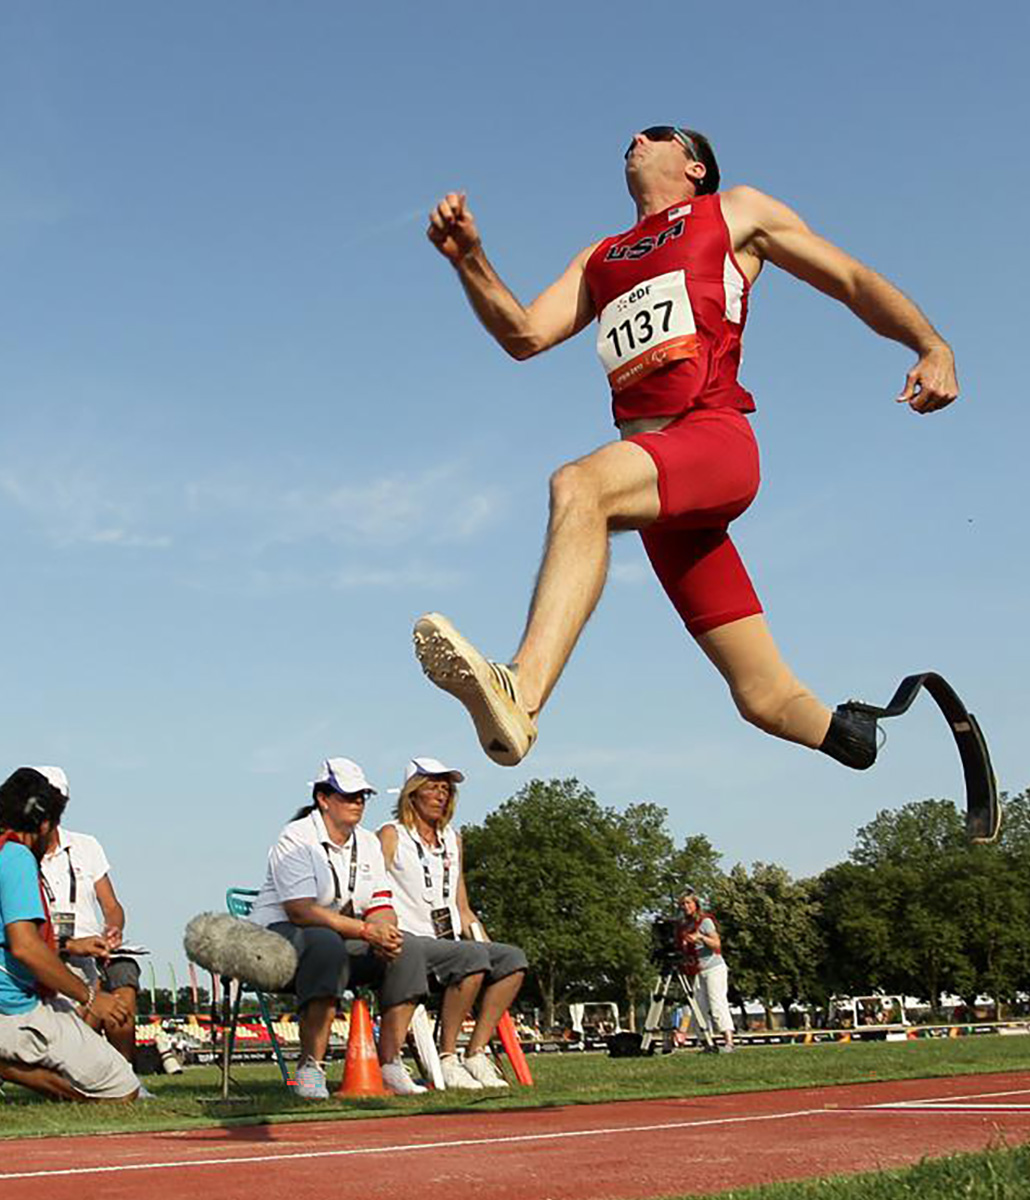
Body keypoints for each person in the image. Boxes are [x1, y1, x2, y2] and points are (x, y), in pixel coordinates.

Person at [414, 126, 991, 842]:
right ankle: (852, 737)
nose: (634, 137)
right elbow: (525, 335)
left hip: (712, 441)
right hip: (657, 486)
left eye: (657, 134)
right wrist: (471, 260)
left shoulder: (735, 210)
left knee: (578, 485)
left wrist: (931, 344)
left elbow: (850, 279)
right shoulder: (600, 256)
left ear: (695, 167)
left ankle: (521, 690)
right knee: (763, 696)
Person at [0, 765, 141, 1105]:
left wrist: (69, 949)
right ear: (43, 825)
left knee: (85, 1055)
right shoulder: (16, 857)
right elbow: (25, 948)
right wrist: (90, 996)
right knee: (124, 1090)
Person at [248, 757, 434, 1098]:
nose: (358, 802)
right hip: (276, 936)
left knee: (408, 947)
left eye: (363, 796)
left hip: (337, 935)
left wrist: (385, 932)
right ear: (323, 799)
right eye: (348, 795)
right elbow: (301, 911)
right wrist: (366, 931)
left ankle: (389, 1064)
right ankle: (310, 1067)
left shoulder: (368, 842)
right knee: (325, 945)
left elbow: (381, 905)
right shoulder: (297, 837)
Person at [377, 756, 529, 1089]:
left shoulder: (452, 839)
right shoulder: (392, 835)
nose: (441, 795)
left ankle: (475, 1052)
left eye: (446, 789)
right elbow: (372, 892)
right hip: (411, 943)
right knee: (471, 957)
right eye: (432, 787)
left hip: (451, 943)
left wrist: (487, 946)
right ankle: (448, 1057)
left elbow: (462, 908)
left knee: (512, 959)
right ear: (412, 794)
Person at [37, 801, 142, 1063]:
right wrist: (71, 945)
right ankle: (89, 1067)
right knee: (87, 1009)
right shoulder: (21, 858)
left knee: (124, 979)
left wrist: (113, 928)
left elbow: (112, 906)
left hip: (97, 948)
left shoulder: (86, 846)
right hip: (55, 951)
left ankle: (125, 1071)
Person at [677, 891, 734, 1052]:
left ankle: (729, 1042)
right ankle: (706, 1042)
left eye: (688, 903)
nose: (686, 906)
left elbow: (716, 944)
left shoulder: (705, 921)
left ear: (696, 904)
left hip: (714, 968)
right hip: (697, 970)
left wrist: (701, 938)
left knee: (717, 1005)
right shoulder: (684, 925)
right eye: (683, 904)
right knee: (698, 1008)